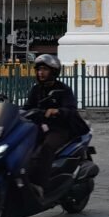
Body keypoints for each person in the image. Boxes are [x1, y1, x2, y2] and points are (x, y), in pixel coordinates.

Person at [22, 54, 88, 199]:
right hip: (40, 126)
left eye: (45, 69)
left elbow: (70, 109)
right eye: (39, 69)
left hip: (60, 128)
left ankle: (41, 186)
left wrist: (57, 111)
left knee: (46, 148)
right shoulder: (36, 90)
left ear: (53, 71)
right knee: (23, 146)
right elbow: (27, 107)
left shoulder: (63, 90)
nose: (41, 73)